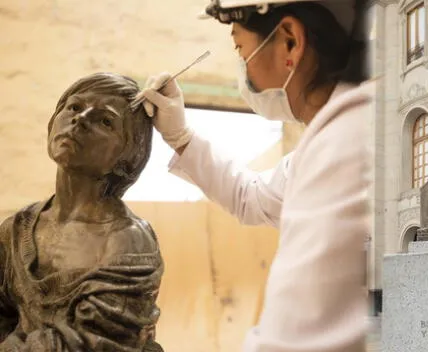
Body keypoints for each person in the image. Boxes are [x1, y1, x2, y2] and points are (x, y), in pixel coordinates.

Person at [138, 0, 373, 351]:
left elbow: (295, 340)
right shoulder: (329, 140)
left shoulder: (349, 143)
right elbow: (252, 197)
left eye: (240, 47)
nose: (242, 67)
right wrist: (182, 138)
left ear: (290, 42)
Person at [0, 72, 164, 352]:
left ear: (128, 153)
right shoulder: (16, 229)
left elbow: (92, 344)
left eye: (105, 121)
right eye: (74, 107)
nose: (81, 119)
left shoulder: (129, 241)